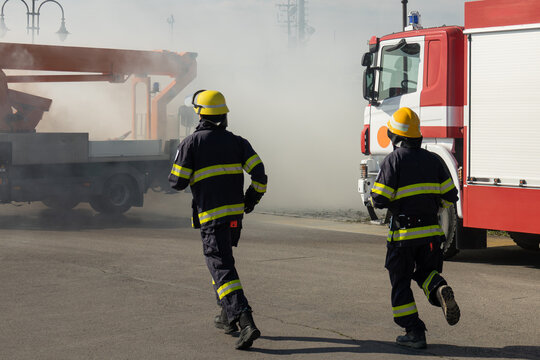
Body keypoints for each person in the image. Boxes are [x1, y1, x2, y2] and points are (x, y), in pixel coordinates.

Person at [169, 90, 267, 350]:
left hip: (212, 218)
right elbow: (260, 176)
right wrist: (251, 200)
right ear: (223, 113)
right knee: (222, 264)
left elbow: (177, 182)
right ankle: (226, 316)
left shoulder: (191, 143)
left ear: (199, 113)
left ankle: (244, 319)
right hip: (235, 217)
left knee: (221, 268)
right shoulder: (238, 142)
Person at [368, 107, 460, 349]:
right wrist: (435, 206)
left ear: (396, 137)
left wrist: (372, 196)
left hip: (403, 237)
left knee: (400, 282)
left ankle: (414, 331)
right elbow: (451, 195)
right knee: (425, 274)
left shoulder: (394, 160)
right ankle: (440, 288)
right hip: (431, 234)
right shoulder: (434, 160)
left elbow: (379, 199)